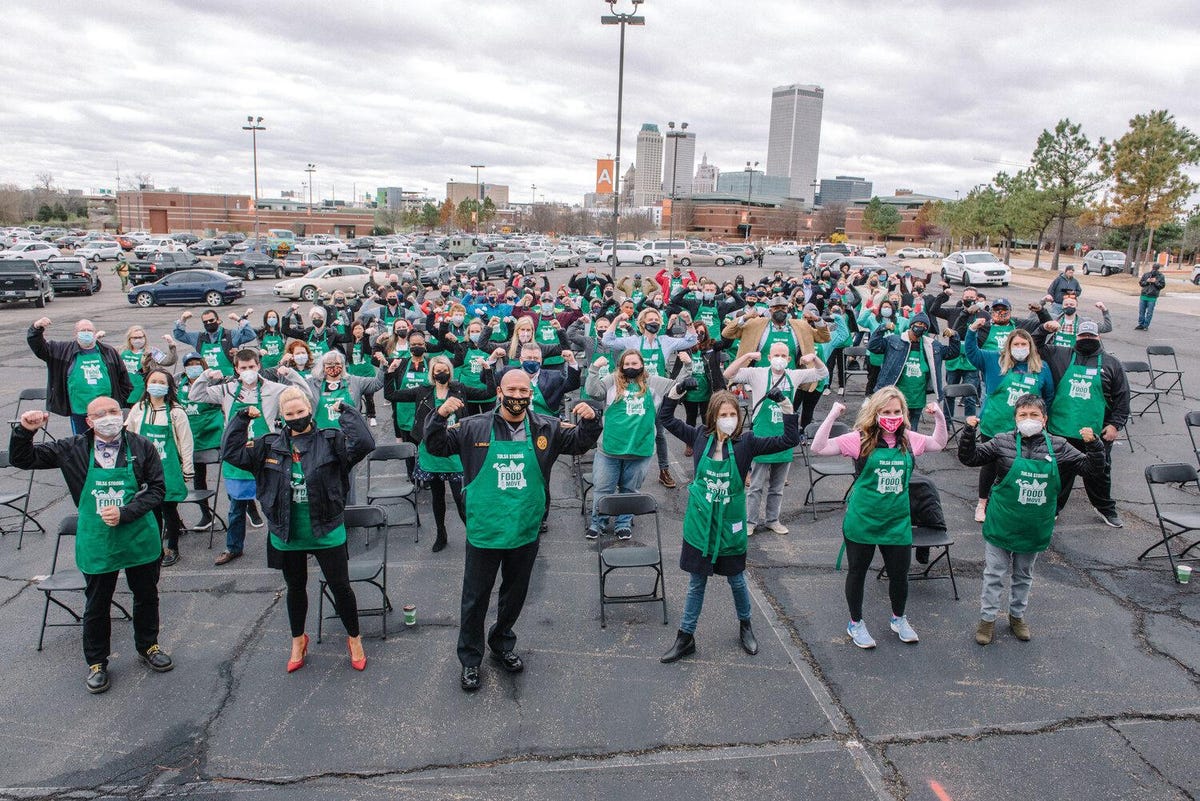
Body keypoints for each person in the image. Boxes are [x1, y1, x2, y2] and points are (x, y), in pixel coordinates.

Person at [424, 370, 601, 692]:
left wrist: (592, 420)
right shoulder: (472, 427)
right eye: (512, 389)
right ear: (499, 392)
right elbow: (436, 446)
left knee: (514, 594)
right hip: (485, 529)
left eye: (523, 389)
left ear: (530, 393)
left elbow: (579, 444)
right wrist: (438, 416)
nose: (518, 395)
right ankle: (470, 660)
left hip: (525, 527)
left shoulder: (546, 426)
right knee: (475, 600)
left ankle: (502, 642)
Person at [10, 398, 171, 694]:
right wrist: (24, 431)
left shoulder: (141, 446)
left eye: (113, 412)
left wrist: (126, 512)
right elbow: (23, 459)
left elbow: (158, 489)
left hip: (137, 534)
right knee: (97, 603)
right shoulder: (72, 448)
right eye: (102, 414)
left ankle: (149, 645)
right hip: (97, 538)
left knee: (146, 594)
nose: (110, 417)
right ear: (89, 421)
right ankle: (97, 662)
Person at [222, 387, 375, 672]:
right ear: (282, 416)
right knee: (295, 588)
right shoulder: (268, 445)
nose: (296, 418)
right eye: (289, 414)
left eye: (301, 412)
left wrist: (347, 412)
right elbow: (230, 452)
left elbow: (365, 443)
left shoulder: (331, 441)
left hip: (326, 530)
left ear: (310, 411)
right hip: (287, 534)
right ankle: (297, 639)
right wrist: (241, 419)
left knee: (341, 588)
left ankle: (354, 638)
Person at [657, 389, 802, 663]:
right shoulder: (699, 436)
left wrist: (785, 404)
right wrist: (676, 391)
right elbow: (666, 417)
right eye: (723, 415)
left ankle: (745, 625)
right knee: (696, 582)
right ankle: (685, 637)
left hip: (730, 526)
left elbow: (789, 439)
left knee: (736, 580)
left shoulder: (746, 442)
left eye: (733, 414)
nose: (728, 419)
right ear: (713, 416)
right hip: (701, 524)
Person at [958, 395, 1104, 645]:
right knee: (994, 574)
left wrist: (1095, 445)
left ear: (1044, 420)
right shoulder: (1001, 442)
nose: (1028, 420)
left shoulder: (1059, 446)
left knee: (1024, 575)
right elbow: (970, 458)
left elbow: (1091, 469)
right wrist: (969, 432)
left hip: (1034, 527)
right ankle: (987, 620)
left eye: (1034, 415)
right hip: (1002, 523)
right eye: (1023, 415)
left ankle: (1017, 617)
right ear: (1015, 419)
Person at [811, 388, 948, 648]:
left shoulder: (909, 440)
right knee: (858, 573)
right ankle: (856, 624)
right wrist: (832, 415)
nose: (892, 416)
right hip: (863, 520)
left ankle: (899, 619)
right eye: (886, 412)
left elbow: (938, 443)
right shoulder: (859, 439)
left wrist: (940, 417)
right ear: (875, 413)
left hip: (896, 522)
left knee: (899, 574)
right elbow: (818, 447)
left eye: (897, 411)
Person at [188, 348, 314, 564]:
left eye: (252, 367)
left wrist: (291, 375)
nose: (248, 371)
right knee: (236, 507)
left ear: (259, 367)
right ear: (236, 369)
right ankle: (233, 547)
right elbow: (195, 395)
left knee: (279, 502)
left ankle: (289, 543)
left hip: (268, 452)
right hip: (239, 455)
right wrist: (204, 377)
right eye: (243, 368)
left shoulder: (274, 389)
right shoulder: (227, 390)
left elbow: (305, 396)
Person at [384, 354, 497, 551]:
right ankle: (441, 533)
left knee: (461, 498)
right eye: (438, 370)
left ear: (450, 371)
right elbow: (391, 396)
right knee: (438, 497)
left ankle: (473, 535)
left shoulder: (459, 389)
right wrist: (390, 373)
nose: (441, 373)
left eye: (445, 370)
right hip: (431, 451)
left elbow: (488, 394)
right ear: (432, 373)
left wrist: (488, 370)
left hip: (454, 450)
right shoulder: (423, 391)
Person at [1034, 320, 1129, 527]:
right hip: (1061, 430)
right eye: (1083, 336)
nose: (1087, 340)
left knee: (1100, 473)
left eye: (1091, 337)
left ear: (1099, 338)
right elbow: (1035, 345)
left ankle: (1105, 508)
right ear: (1077, 337)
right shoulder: (1060, 354)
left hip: (1096, 433)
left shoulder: (1112, 364)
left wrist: (1115, 425)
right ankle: (1053, 508)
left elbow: (1122, 398)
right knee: (1059, 474)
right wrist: (1043, 329)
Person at [724, 346, 827, 535]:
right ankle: (750, 521)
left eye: (783, 355)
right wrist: (746, 355)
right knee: (755, 486)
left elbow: (822, 373)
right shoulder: (756, 374)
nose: (779, 358)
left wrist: (814, 358)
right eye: (776, 355)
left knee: (777, 487)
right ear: (769, 357)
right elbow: (729, 373)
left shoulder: (794, 376)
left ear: (788, 359)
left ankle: (773, 520)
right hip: (762, 436)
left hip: (784, 436)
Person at [962, 323, 1054, 523]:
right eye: (1016, 344)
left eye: (1024, 344)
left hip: (1025, 430)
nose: (1020, 347)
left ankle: (1009, 503)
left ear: (1030, 346)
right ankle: (982, 503)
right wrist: (971, 331)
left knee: (1018, 467)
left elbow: (1048, 396)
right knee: (990, 466)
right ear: (1009, 346)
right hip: (994, 426)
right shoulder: (994, 360)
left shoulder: (1041, 368)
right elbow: (971, 352)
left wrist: (1041, 420)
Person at [584, 349, 677, 540]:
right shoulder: (612, 380)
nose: (630, 367)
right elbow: (593, 392)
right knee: (603, 488)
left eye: (634, 364)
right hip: (610, 449)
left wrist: (688, 369)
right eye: (626, 364)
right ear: (621, 366)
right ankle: (598, 522)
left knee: (630, 490)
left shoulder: (653, 382)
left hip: (640, 450)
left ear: (642, 365)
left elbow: (676, 388)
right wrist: (594, 369)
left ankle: (623, 523)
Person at [603, 307, 698, 488]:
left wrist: (688, 322)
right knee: (630, 429)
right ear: (642, 324)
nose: (654, 322)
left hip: (659, 395)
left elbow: (692, 340)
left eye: (656, 320)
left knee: (660, 434)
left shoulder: (665, 341)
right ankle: (622, 469)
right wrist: (616, 320)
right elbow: (607, 340)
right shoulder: (633, 341)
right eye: (650, 320)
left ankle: (664, 470)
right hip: (636, 394)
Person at [721, 295, 831, 428]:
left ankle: (787, 438)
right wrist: (745, 317)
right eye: (776, 308)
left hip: (788, 376)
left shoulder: (801, 326)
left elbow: (824, 338)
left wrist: (817, 320)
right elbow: (727, 333)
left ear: (788, 310)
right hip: (761, 376)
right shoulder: (756, 324)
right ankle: (759, 435)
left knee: (787, 411)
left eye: (783, 308)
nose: (780, 311)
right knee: (762, 408)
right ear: (770, 310)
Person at [125, 368, 193, 567]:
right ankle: (156, 548)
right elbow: (128, 436)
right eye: (153, 381)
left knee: (168, 507)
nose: (157, 385)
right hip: (143, 468)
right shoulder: (138, 409)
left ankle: (173, 547)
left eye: (162, 382)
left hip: (168, 468)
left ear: (169, 387)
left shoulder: (175, 412)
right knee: (151, 509)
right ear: (146, 384)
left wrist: (188, 468)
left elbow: (186, 442)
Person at [28, 317, 134, 434]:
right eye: (83, 330)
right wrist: (36, 328)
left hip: (107, 411)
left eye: (90, 331)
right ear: (75, 334)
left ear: (95, 333)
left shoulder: (109, 352)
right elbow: (39, 348)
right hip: (79, 412)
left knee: (110, 440)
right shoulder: (62, 350)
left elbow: (124, 381)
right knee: (82, 444)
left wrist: (118, 401)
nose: (87, 333)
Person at [868, 312, 960, 430]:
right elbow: (873, 346)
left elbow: (952, 352)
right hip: (893, 398)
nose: (921, 327)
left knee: (911, 432)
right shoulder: (894, 340)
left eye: (924, 325)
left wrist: (954, 336)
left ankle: (909, 449)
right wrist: (882, 328)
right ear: (911, 325)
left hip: (917, 399)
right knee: (888, 429)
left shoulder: (932, 345)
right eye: (918, 323)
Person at [177, 351, 223, 530]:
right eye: (189, 365)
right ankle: (206, 515)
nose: (192, 368)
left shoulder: (213, 381)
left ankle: (250, 508)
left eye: (196, 363)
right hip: (191, 436)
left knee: (234, 472)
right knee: (198, 477)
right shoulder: (179, 384)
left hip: (212, 434)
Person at [172, 309, 255, 377]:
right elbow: (179, 335)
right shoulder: (198, 337)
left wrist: (239, 319)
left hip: (228, 380)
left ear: (218, 320)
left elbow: (250, 335)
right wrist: (183, 319)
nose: (208, 323)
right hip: (207, 380)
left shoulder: (230, 334)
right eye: (205, 322)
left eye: (211, 320)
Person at [1135, 262, 1166, 330]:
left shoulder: (1161, 276)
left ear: (1158, 269)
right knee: (1141, 311)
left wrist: (1155, 282)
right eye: (1153, 268)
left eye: (1156, 268)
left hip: (1152, 296)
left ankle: (1146, 325)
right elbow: (1141, 283)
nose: (1154, 270)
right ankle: (1141, 324)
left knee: (1149, 312)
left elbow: (1162, 286)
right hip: (1144, 295)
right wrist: (1147, 281)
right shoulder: (1146, 274)